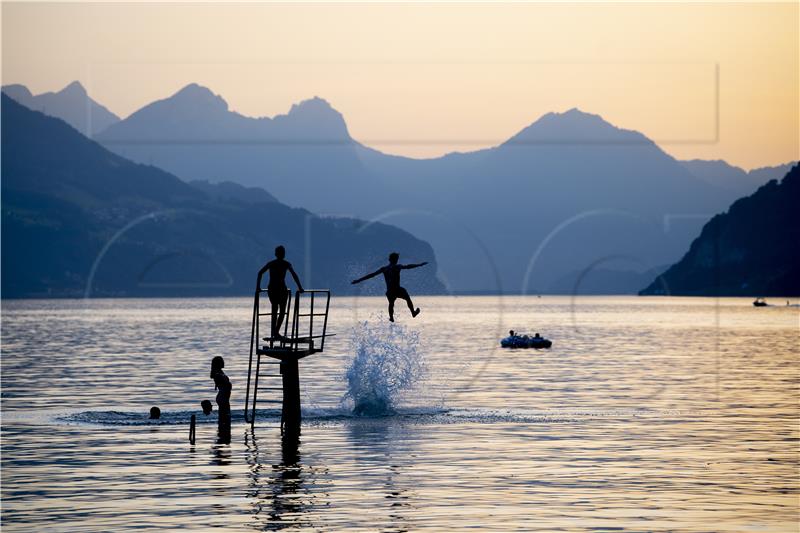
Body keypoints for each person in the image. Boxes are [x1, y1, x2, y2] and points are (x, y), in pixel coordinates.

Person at [351, 252, 428, 322]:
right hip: (397, 289)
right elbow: (408, 266)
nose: (397, 260)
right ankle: (413, 313)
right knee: (407, 298)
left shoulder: (384, 269)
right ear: (396, 260)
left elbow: (372, 275)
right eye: (397, 259)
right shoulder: (398, 267)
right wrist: (419, 265)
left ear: (389, 260)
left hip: (390, 291)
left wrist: (358, 280)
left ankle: (391, 317)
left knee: (391, 303)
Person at [256, 245, 304, 339]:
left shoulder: (284, 264)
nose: (283, 254)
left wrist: (300, 287)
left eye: (283, 253)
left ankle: (275, 331)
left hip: (279, 289)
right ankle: (275, 331)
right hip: (275, 289)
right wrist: (258, 287)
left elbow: (294, 275)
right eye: (281, 253)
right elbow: (260, 273)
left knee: (279, 311)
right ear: (277, 254)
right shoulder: (275, 264)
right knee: (277, 310)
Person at [210, 356, 232, 442]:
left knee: (226, 417)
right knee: (224, 417)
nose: (223, 363)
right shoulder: (217, 373)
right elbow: (217, 378)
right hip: (222, 397)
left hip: (225, 397)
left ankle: (223, 433)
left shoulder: (220, 372)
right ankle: (223, 435)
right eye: (222, 361)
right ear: (218, 363)